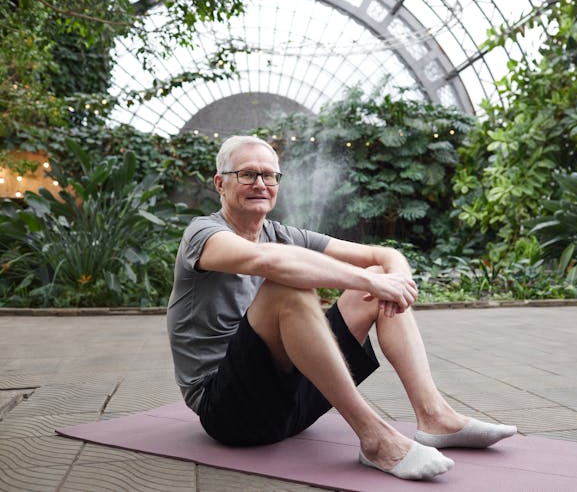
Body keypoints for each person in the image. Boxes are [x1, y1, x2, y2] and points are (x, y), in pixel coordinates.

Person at [166, 135, 517, 481]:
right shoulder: (203, 234)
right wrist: (369, 282)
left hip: (295, 404)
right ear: (220, 184)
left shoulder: (284, 234)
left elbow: (384, 255)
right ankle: (375, 438)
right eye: (247, 174)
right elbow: (266, 261)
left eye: (269, 175)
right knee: (290, 285)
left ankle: (434, 416)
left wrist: (392, 282)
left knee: (380, 278)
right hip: (231, 412)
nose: (260, 183)